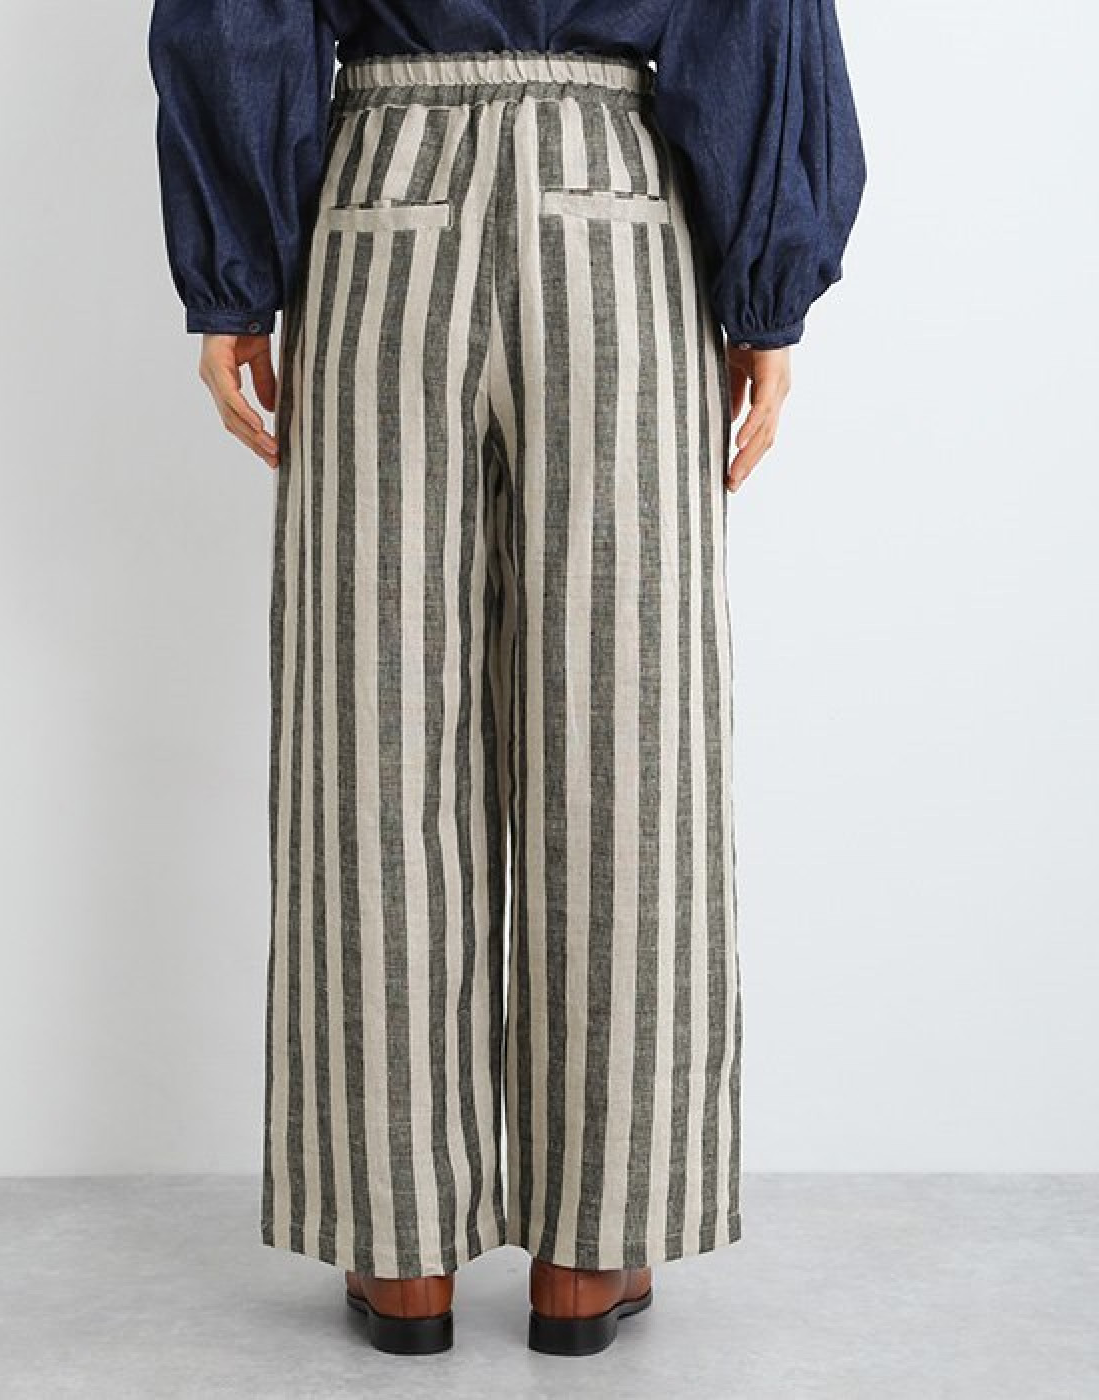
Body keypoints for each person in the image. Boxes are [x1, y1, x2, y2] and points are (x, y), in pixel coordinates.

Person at [146, 0, 866, 1360]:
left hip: (383, 198)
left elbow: (240, 15)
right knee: (630, 727)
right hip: (617, 199)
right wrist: (768, 287)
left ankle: (397, 1243)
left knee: (369, 727)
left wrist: (235, 279)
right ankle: (594, 1244)